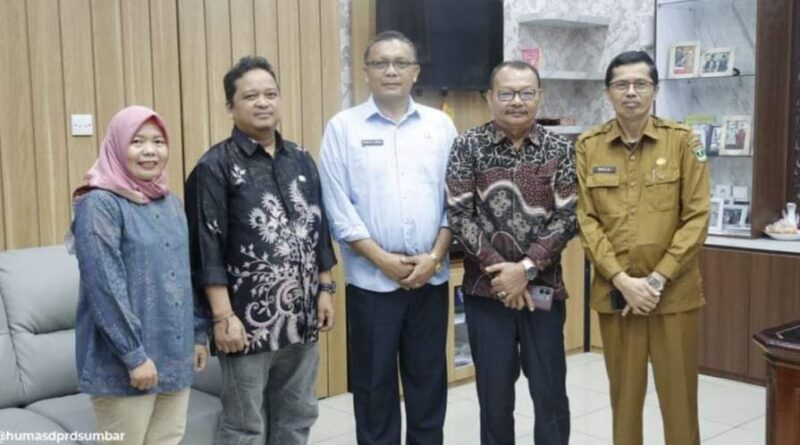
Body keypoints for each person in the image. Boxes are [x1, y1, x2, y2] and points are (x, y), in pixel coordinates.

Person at [185, 56, 337, 445]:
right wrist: (223, 317)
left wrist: (325, 289)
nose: (263, 102)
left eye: (270, 94)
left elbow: (318, 229)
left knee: (298, 415)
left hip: (302, 318)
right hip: (247, 324)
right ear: (230, 106)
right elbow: (206, 247)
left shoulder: (300, 158)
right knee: (245, 425)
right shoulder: (213, 167)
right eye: (251, 96)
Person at [319, 31, 456, 445]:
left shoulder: (440, 125)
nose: (391, 71)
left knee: (428, 383)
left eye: (400, 63)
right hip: (371, 283)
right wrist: (382, 260)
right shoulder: (343, 128)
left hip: (430, 278)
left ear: (415, 72)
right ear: (366, 72)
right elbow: (337, 207)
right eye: (380, 63)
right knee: (373, 388)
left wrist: (434, 257)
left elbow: (457, 199)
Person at [576, 50, 710, 445]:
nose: (631, 92)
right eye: (621, 84)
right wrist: (621, 280)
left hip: (673, 294)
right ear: (608, 92)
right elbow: (586, 220)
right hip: (617, 296)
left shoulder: (684, 141)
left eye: (640, 84)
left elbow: (697, 217)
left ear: (655, 90)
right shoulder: (589, 146)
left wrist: (655, 280)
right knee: (624, 401)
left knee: (680, 401)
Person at [446, 60, 577, 444]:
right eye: (506, 93)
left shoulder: (559, 147)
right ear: (490, 98)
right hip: (487, 293)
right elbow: (459, 214)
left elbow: (568, 216)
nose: (516, 101)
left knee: (550, 394)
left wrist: (526, 269)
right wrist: (503, 273)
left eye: (525, 93)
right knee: (494, 399)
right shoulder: (467, 145)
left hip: (544, 292)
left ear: (539, 97)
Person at [71, 106, 208, 445]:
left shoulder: (171, 202)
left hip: (175, 352)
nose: (150, 151)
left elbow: (185, 275)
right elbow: (104, 287)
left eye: (158, 142)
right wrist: (134, 356)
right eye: (137, 141)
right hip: (125, 363)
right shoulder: (98, 204)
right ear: (117, 146)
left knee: (168, 439)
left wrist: (198, 334)